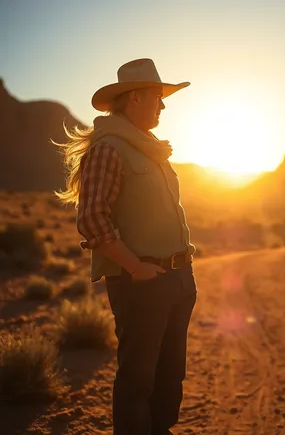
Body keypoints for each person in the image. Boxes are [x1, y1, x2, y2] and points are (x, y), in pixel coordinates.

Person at [55, 58, 197, 435]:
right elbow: (92, 219)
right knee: (138, 380)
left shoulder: (151, 150)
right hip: (143, 281)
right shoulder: (109, 149)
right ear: (135, 97)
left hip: (178, 278)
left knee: (170, 375)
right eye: (157, 97)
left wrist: (183, 272)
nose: (163, 106)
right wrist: (136, 269)